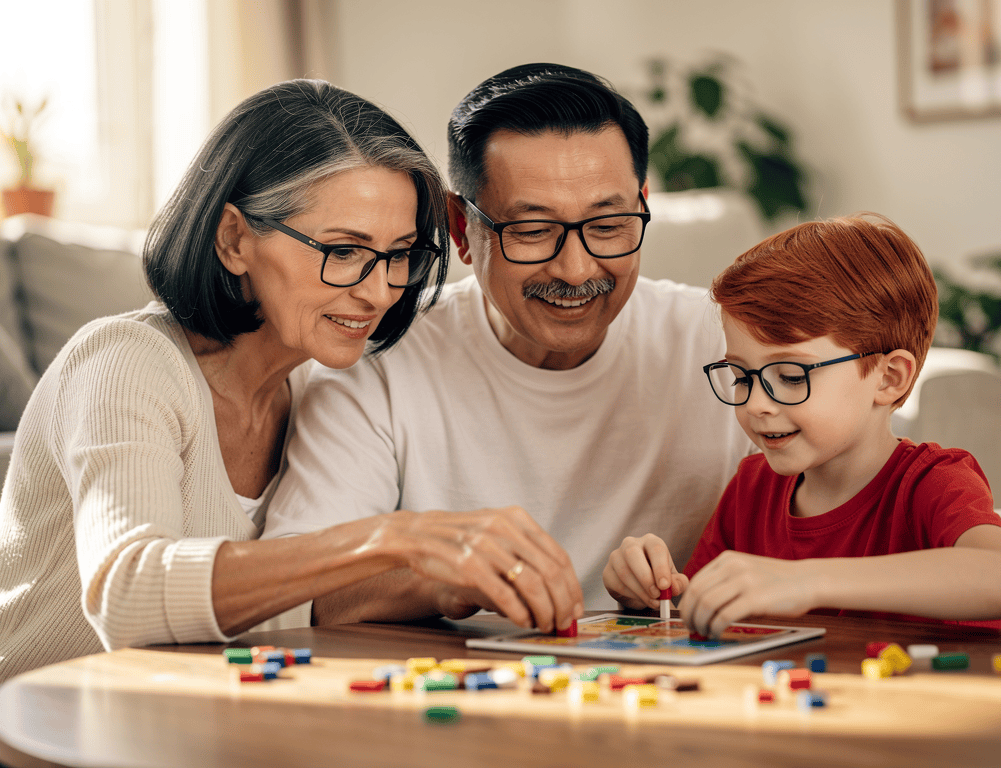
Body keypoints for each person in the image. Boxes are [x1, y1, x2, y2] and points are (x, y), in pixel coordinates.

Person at [0, 79, 583, 683]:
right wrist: (392, 537)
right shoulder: (124, 363)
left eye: (400, 253)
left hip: (178, 728)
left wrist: (448, 582)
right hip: (35, 733)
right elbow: (128, 597)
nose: (379, 290)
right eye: (344, 249)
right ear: (233, 239)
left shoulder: (319, 385)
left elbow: (281, 611)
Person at [264, 63, 753, 618]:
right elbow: (299, 588)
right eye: (532, 231)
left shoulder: (726, 347)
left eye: (609, 224)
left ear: (643, 204)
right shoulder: (377, 358)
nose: (575, 268)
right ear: (459, 229)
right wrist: (450, 579)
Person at [603, 213, 1001, 636]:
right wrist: (649, 594)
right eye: (743, 377)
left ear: (889, 377)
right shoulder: (751, 490)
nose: (757, 404)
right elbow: (697, 617)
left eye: (790, 376)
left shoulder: (931, 483)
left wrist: (807, 581)